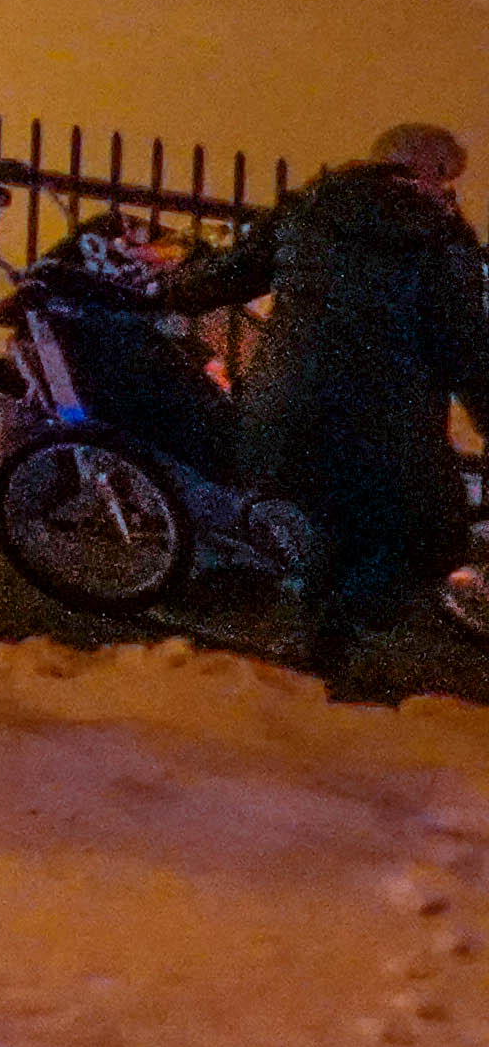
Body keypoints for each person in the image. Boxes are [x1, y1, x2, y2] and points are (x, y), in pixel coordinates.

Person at [148, 124, 489, 698]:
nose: (451, 194)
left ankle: (315, 635)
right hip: (383, 425)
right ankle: (331, 655)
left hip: (281, 410)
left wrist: (166, 288)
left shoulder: (308, 210)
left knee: (332, 523)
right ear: (427, 173)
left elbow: (232, 275)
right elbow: (466, 350)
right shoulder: (440, 239)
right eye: (449, 181)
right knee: (434, 533)